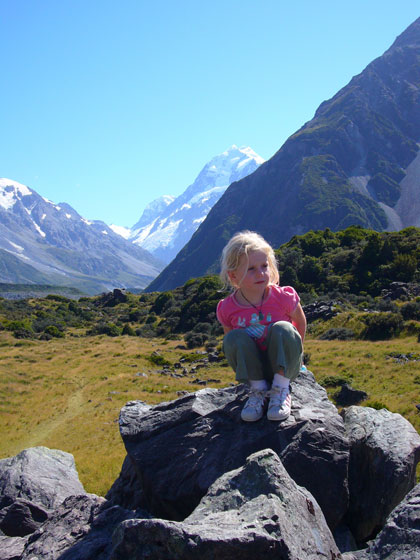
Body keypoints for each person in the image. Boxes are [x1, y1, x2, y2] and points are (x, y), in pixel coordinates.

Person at [216, 230, 307, 422]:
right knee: (234, 338)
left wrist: (296, 355)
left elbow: (299, 320)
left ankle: (281, 388)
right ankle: (257, 391)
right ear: (233, 276)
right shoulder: (227, 308)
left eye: (265, 266)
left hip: (282, 365)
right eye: (251, 269)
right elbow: (231, 343)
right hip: (255, 370)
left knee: (284, 328)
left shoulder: (282, 296)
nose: (261, 273)